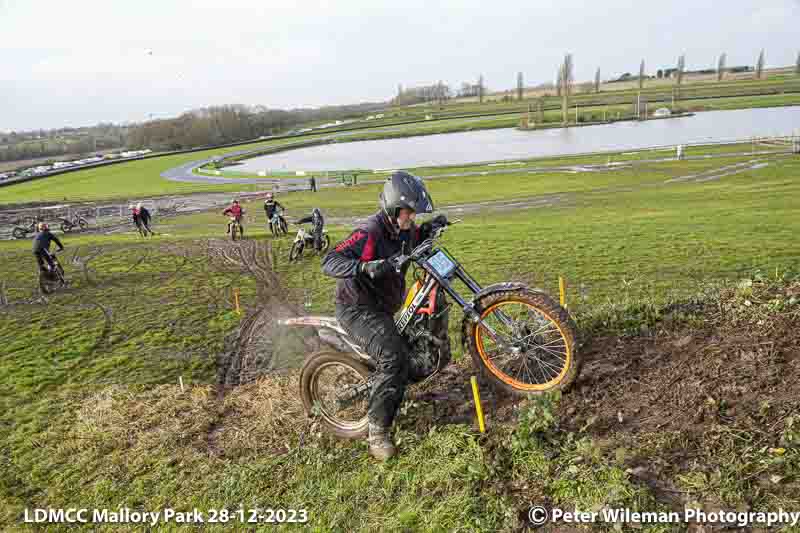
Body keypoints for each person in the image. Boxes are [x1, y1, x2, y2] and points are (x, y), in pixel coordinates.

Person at [321, 171, 447, 460]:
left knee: (419, 344)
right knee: (394, 357)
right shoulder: (369, 232)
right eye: (409, 212)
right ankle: (377, 433)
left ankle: (396, 381)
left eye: (415, 214)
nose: (412, 218)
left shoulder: (404, 230)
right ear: (392, 208)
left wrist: (431, 228)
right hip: (358, 309)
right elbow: (329, 261)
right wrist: (365, 267)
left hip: (385, 307)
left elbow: (410, 243)